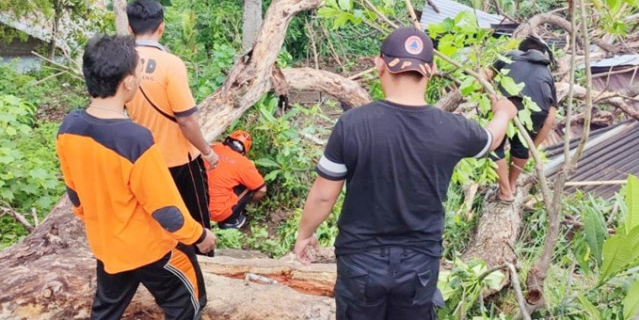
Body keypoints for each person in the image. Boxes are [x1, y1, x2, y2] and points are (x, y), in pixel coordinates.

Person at [292, 26, 518, 320]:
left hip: (361, 260)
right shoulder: (451, 129)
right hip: (419, 265)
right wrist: (503, 112)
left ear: (379, 65)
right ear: (432, 70)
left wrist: (304, 234)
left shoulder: (352, 125)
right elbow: (491, 139)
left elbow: (324, 195)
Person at [56, 35, 216, 320]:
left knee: (106, 312)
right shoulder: (135, 140)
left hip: (108, 246)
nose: (142, 75)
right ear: (128, 82)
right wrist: (201, 236)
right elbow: (168, 212)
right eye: (139, 70)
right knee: (188, 305)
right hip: (153, 251)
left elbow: (75, 194)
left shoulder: (70, 127)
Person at [124, 0, 219, 251]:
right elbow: (186, 120)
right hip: (180, 159)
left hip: (142, 158)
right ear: (161, 27)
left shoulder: (121, 62)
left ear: (129, 27)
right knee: (194, 222)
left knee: (154, 221)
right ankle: (199, 272)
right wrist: (208, 152)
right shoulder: (171, 64)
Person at [490, 35, 558, 203]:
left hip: (506, 102)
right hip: (535, 112)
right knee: (521, 149)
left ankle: (505, 191)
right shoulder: (548, 75)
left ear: (522, 50)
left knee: (494, 145)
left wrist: (491, 97)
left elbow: (483, 76)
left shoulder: (510, 55)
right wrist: (532, 147)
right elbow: (550, 118)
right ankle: (512, 185)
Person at [206, 130, 267, 229]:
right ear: (244, 151)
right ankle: (230, 221)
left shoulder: (212, 147)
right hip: (216, 213)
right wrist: (250, 202)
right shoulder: (244, 164)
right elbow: (262, 190)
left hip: (193, 205)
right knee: (252, 185)